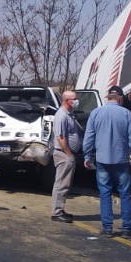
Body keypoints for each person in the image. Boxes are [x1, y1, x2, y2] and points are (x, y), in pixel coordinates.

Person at [82, 85, 131, 239]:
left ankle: (107, 228)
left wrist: (87, 157)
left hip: (102, 160)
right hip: (121, 161)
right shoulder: (126, 114)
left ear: (108, 97)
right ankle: (127, 229)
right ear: (120, 98)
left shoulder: (96, 113)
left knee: (105, 193)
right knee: (125, 194)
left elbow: (89, 138)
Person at [50, 90, 83, 223]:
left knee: (65, 184)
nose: (76, 101)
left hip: (68, 154)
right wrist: (68, 154)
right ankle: (56, 213)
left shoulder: (69, 114)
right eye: (74, 99)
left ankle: (60, 209)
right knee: (61, 184)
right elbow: (60, 137)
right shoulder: (61, 116)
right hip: (63, 154)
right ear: (66, 100)